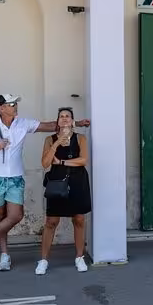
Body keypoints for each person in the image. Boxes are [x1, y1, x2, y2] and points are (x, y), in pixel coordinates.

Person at [0, 94, 90, 271]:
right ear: (2, 108)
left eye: (15, 103)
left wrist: (76, 123)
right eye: (11, 104)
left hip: (15, 176)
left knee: (16, 215)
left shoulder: (22, 123)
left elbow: (48, 125)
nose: (15, 106)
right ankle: (4, 256)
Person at [35, 108, 92, 275]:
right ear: (57, 121)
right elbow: (45, 163)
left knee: (79, 219)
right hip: (57, 181)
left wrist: (61, 162)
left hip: (77, 181)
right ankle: (44, 260)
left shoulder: (80, 138)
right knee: (51, 221)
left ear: (73, 121)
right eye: (61, 116)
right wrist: (57, 143)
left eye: (68, 116)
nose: (65, 119)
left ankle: (79, 257)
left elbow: (83, 160)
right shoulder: (49, 139)